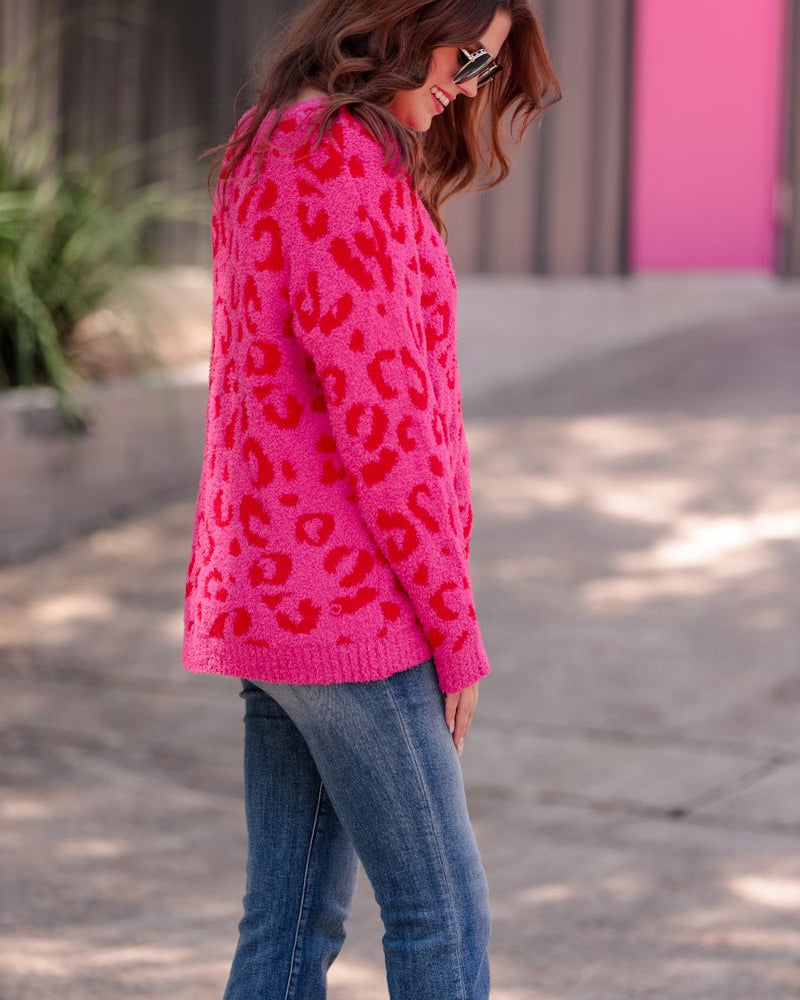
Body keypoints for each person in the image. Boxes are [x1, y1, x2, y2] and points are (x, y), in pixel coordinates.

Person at [182, 1, 560, 996]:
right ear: (403, 18)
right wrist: (455, 630)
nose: (472, 81)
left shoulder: (269, 142)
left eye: (489, 63)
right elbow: (387, 436)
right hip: (354, 612)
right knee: (441, 913)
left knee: (291, 916)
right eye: (469, 52)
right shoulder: (343, 164)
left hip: (269, 596)